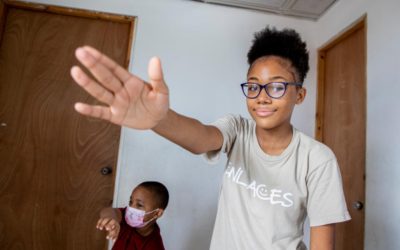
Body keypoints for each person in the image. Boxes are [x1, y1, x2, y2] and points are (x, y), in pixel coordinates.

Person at [71, 26, 351, 249]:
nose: (262, 97)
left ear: (299, 95)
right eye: (253, 87)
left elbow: (322, 242)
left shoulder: (317, 159)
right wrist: (160, 119)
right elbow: (201, 137)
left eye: (276, 87)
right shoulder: (237, 130)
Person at [96, 181, 169, 250]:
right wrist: (111, 218)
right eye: (130, 202)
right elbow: (109, 211)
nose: (131, 208)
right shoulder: (126, 217)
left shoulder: (154, 245)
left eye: (139, 205)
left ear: (157, 213)